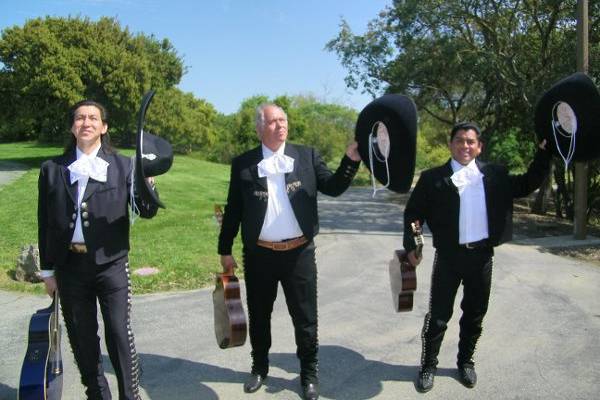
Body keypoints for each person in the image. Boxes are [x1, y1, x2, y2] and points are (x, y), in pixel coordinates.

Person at [218, 103, 361, 400]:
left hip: (299, 254)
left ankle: (308, 374)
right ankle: (259, 367)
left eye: (283, 120)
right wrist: (225, 248)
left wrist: (350, 161)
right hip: (259, 255)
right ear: (259, 128)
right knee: (259, 315)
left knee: (305, 318)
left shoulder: (306, 156)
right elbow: (234, 209)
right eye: (273, 122)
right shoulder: (243, 163)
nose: (280, 125)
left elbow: (332, 187)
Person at [403, 122, 550, 393]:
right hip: (448, 257)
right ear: (451, 144)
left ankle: (466, 362)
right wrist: (414, 242)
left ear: (479, 147)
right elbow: (413, 214)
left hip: (481, 257)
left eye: (471, 141)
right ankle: (428, 365)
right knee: (438, 316)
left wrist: (543, 154)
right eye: (459, 140)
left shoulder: (495, 175)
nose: (465, 146)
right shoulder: (432, 178)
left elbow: (528, 182)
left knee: (474, 314)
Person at [39, 100, 160, 400]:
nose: (86, 122)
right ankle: (97, 394)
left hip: (112, 265)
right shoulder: (52, 169)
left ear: (104, 128)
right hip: (70, 268)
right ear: (72, 127)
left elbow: (144, 211)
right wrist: (47, 271)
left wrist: (148, 185)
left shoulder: (124, 166)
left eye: (93, 118)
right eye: (80, 118)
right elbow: (45, 222)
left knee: (119, 332)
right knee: (83, 340)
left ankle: (129, 396)